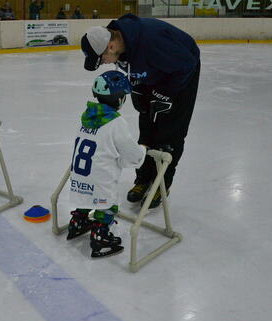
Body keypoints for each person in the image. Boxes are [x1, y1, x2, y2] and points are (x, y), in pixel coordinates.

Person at [80, 14, 200, 210]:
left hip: (181, 73)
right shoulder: (120, 44)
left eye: (102, 60)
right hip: (153, 70)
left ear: (110, 46)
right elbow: (132, 66)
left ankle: (161, 185)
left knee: (170, 131)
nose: (105, 64)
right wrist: (137, 88)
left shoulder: (151, 41)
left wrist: (166, 94)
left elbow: (186, 64)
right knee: (146, 124)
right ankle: (143, 179)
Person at [67, 70, 147, 258]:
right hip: (100, 179)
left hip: (79, 177)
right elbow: (132, 156)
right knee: (108, 205)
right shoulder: (116, 122)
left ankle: (78, 221)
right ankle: (100, 236)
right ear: (119, 99)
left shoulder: (86, 117)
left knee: (86, 198)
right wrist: (142, 149)